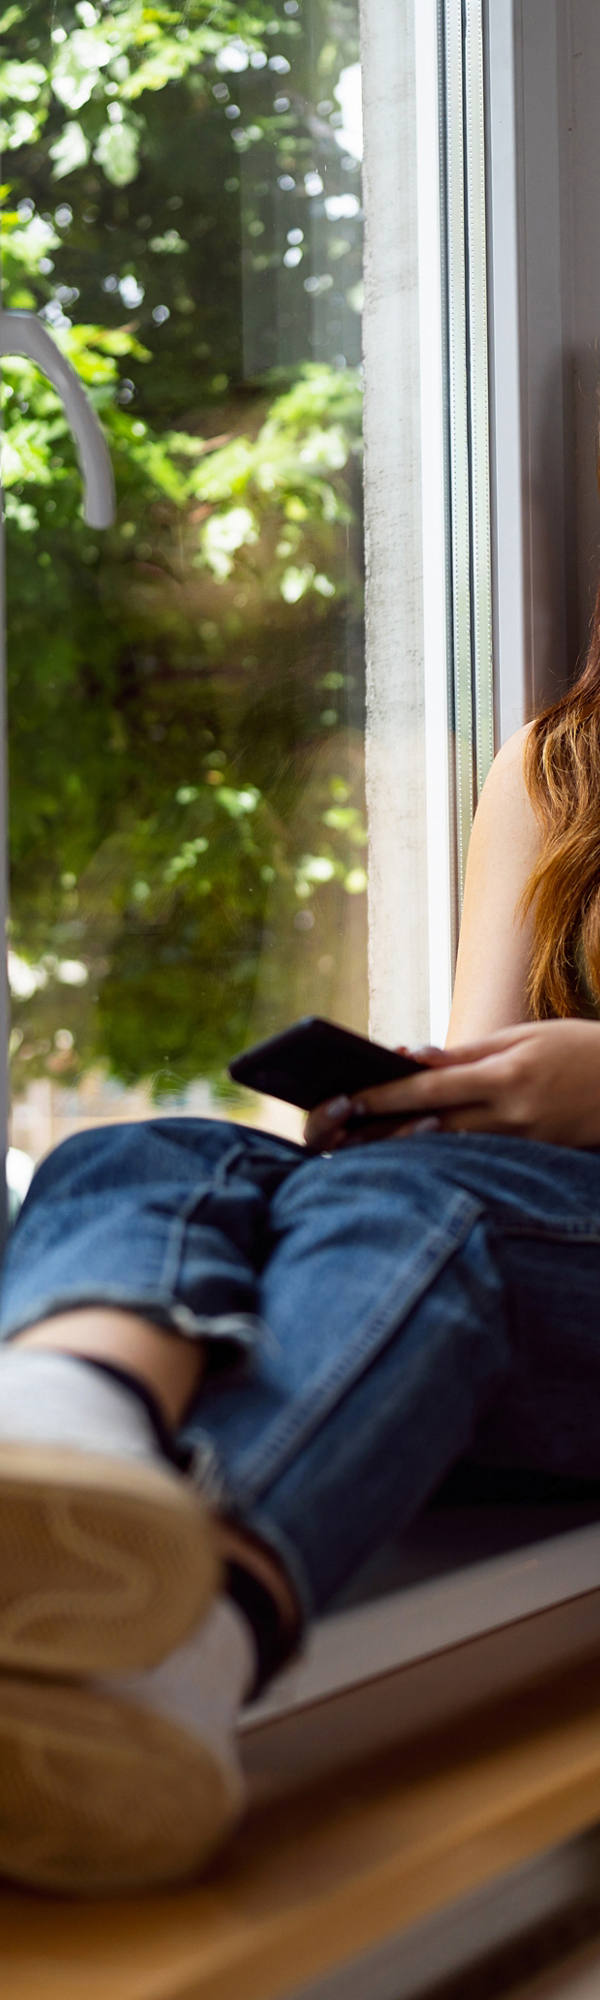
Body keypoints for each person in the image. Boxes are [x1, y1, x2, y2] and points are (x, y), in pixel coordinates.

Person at [3, 619, 600, 1900]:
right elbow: (483, 1094)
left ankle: (179, 1651)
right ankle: (64, 1443)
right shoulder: (559, 766)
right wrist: (424, 1099)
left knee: (436, 1214)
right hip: (523, 1248)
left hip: (540, 1269)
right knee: (152, 1152)